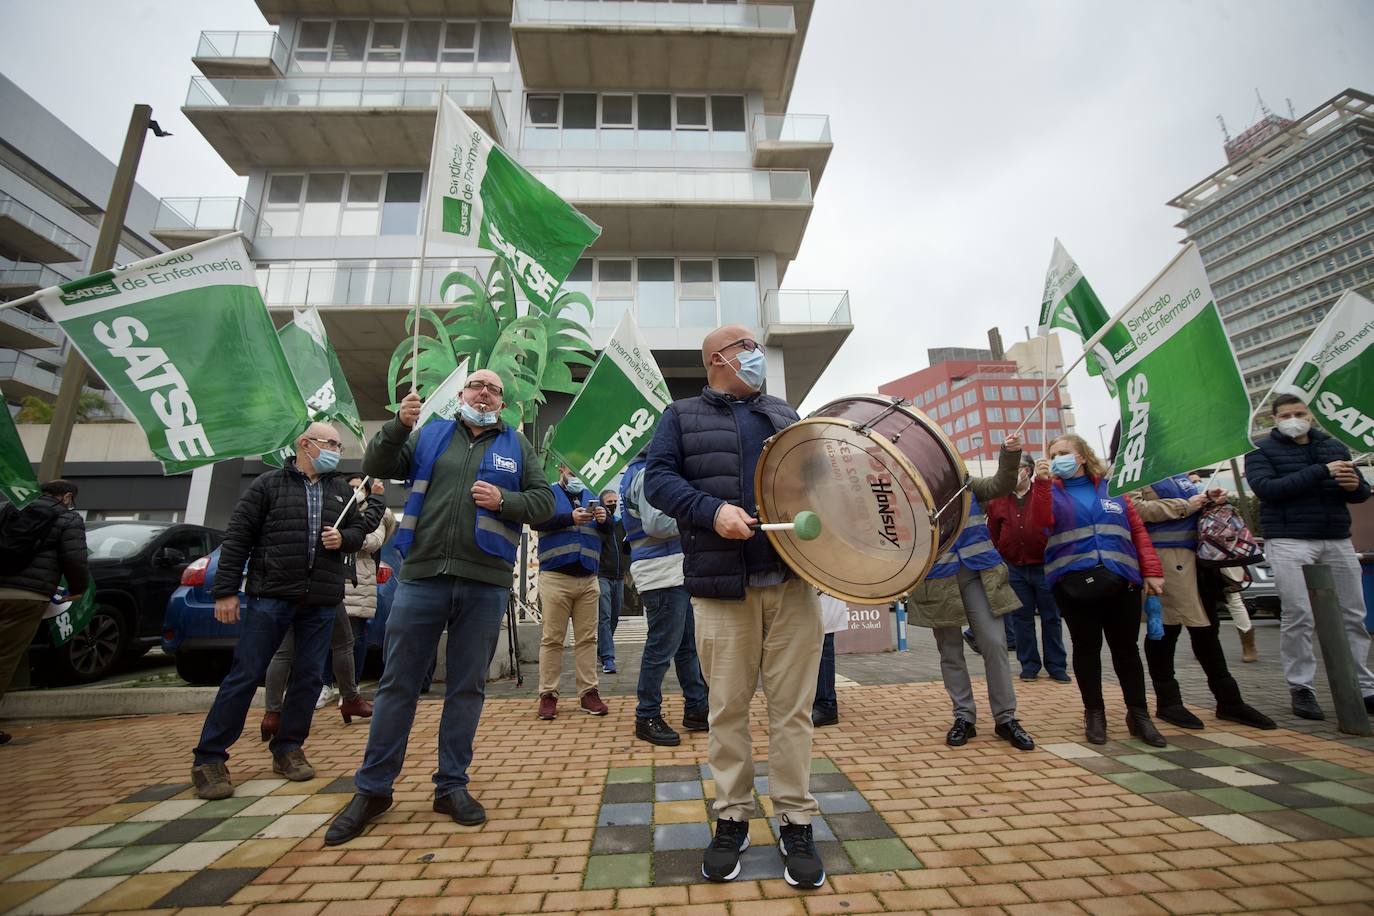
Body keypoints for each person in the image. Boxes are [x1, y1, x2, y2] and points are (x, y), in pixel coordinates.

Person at [325, 370, 554, 845]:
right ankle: (373, 789)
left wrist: (504, 499)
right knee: (397, 686)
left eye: (493, 388)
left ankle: (451, 786)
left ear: (501, 402)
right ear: (463, 394)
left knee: (466, 689)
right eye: (476, 385)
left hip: (485, 583)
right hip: (422, 576)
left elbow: (544, 502)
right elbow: (377, 463)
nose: (484, 392)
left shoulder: (517, 445)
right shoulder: (430, 434)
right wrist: (398, 426)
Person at [646, 324, 826, 889]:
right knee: (726, 710)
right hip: (722, 589)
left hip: (794, 584)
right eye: (746, 347)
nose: (756, 355)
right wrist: (709, 509)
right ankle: (732, 817)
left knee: (792, 711)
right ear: (719, 358)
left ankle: (796, 819)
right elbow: (657, 481)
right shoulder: (680, 416)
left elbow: (816, 482)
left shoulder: (785, 412)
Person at [190, 422, 374, 799]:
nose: (337, 450)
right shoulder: (269, 486)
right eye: (330, 443)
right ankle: (210, 757)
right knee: (246, 673)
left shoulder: (340, 490)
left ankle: (288, 747)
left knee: (308, 678)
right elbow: (238, 536)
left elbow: (359, 531)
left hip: (321, 600)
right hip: (271, 597)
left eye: (340, 445)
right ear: (306, 445)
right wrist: (224, 591)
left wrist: (345, 538)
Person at [1029, 434, 1167, 747]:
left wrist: (1152, 571)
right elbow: (1040, 523)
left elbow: (1137, 531)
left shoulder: (1113, 489)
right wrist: (1040, 484)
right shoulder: (1050, 490)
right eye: (1053, 454)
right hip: (1073, 584)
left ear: (1081, 456)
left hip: (1122, 580)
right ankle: (1094, 714)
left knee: (1126, 651)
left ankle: (1139, 715)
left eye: (1063, 452)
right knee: (1086, 649)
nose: (1057, 458)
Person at [1243, 394, 1373, 720]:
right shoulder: (1260, 452)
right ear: (1274, 419)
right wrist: (1320, 471)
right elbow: (1268, 490)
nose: (1293, 419)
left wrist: (1353, 483)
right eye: (1286, 414)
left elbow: (1359, 493)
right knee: (1299, 614)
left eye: (1299, 413)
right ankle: (1302, 687)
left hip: (1335, 537)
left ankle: (1362, 685)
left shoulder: (1333, 447)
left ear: (1311, 417)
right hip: (1289, 540)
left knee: (1353, 614)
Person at [909, 435, 1036, 752]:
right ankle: (964, 717)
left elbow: (1001, 484)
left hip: (979, 573)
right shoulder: (911, 493)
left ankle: (1006, 718)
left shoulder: (968, 484)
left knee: (994, 644)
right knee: (950, 651)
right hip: (938, 580)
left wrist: (1009, 453)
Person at [1133, 475, 1274, 731]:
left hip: (1200, 556)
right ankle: (1169, 701)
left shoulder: (1179, 472)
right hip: (1164, 557)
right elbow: (1135, 509)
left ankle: (1228, 699)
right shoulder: (1132, 471)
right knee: (1165, 629)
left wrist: (1210, 500)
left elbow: (1194, 505)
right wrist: (1186, 505)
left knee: (1208, 627)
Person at [260, 474, 388, 740]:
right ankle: (345, 699)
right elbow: (363, 528)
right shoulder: (331, 501)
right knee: (337, 644)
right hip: (318, 586)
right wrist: (375, 500)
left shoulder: (282, 497)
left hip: (290, 584)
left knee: (292, 650)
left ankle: (273, 714)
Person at [621, 451, 709, 746]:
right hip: (660, 573)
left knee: (686, 647)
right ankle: (647, 715)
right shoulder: (646, 473)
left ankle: (697, 707)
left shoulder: (646, 471)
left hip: (671, 572)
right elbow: (656, 524)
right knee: (662, 649)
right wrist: (694, 514)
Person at [0, 480, 87, 745]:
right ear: (67, 496)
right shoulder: (67, 517)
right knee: (4, 659)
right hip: (28, 596)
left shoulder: (7, 510)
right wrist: (78, 588)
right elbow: (74, 558)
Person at [533, 464, 611, 719]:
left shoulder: (593, 494)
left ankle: (589, 693)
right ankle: (548, 695)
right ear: (561, 468)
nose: (576, 474)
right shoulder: (548, 492)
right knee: (552, 639)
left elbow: (609, 533)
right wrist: (570, 518)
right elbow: (537, 520)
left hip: (588, 577)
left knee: (589, 639)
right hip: (556, 577)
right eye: (571, 469)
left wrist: (604, 519)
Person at [987, 453, 1070, 683]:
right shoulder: (998, 499)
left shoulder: (1044, 492)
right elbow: (993, 532)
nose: (1014, 473)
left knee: (1051, 616)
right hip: (1015, 567)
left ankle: (1056, 665)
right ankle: (1029, 664)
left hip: (1045, 566)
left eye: (1019, 468)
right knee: (1021, 618)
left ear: (1030, 470)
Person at [1190, 472, 1259, 662]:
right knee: (1203, 601)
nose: (1195, 480)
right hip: (1193, 549)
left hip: (1217, 548)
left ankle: (1248, 644)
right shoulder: (1178, 486)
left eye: (1196, 479)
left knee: (1232, 596)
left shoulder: (1203, 489)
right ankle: (1207, 643)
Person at [596, 487, 627, 674]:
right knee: (605, 616)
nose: (613, 505)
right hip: (602, 575)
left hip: (619, 576)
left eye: (615, 502)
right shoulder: (599, 524)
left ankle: (601, 651)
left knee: (614, 617)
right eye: (609, 502)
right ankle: (608, 658)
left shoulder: (621, 523)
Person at [812, 592, 848, 728]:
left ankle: (826, 706)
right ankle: (816, 703)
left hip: (823, 594)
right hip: (807, 597)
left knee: (823, 651)